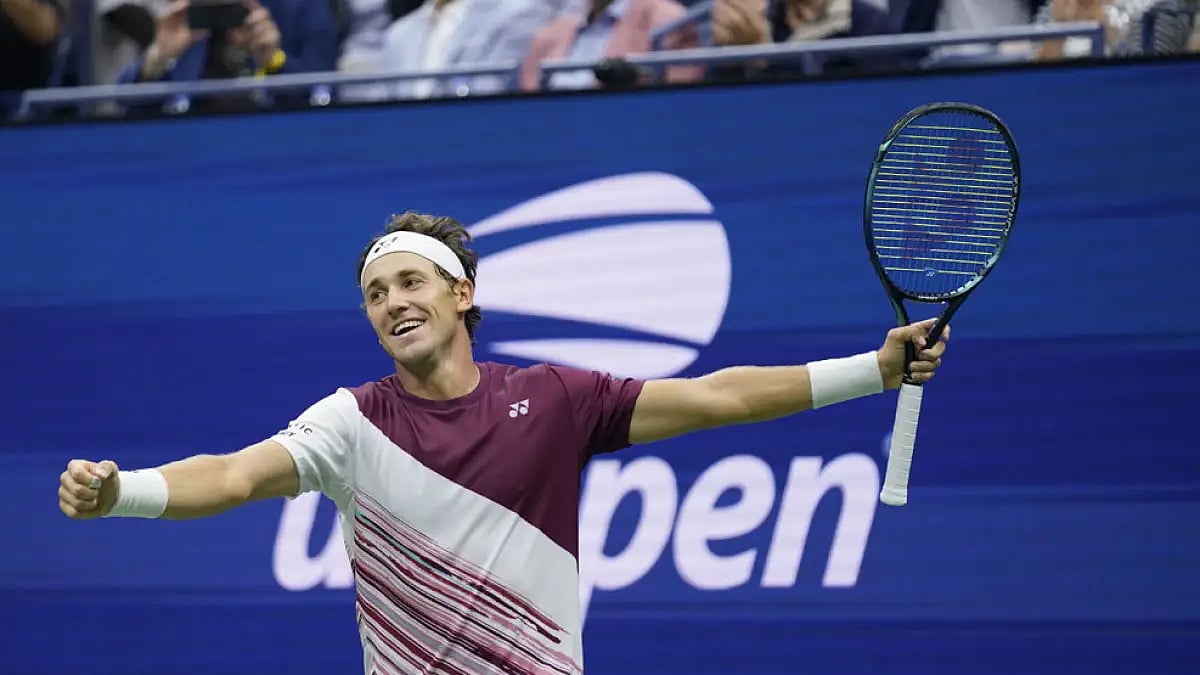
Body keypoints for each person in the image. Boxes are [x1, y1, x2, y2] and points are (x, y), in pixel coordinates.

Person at [57, 211, 950, 675]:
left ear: (463, 295)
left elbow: (716, 397)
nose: (393, 302)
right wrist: (123, 489)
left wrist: (870, 370)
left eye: (412, 281)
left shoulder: (556, 398)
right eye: (375, 293)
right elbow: (232, 475)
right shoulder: (350, 421)